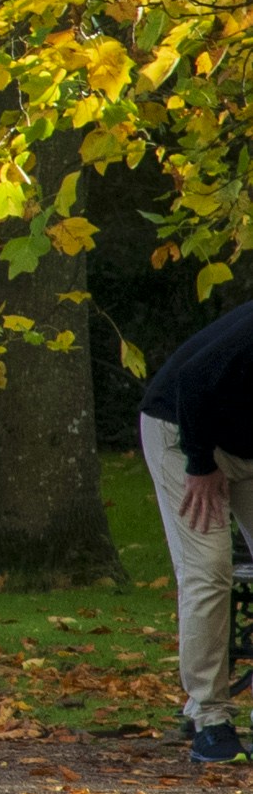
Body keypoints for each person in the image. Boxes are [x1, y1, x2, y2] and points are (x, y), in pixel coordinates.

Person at [136, 291, 253, 765]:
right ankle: (210, 719)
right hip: (181, 432)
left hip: (245, 442)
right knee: (209, 569)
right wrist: (201, 463)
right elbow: (195, 380)